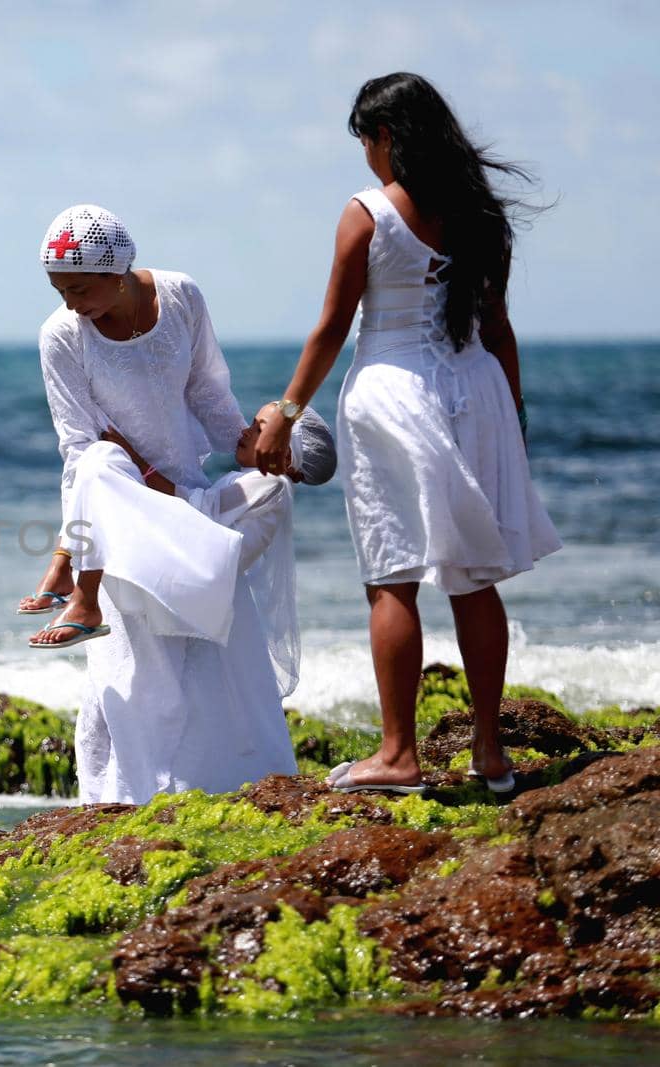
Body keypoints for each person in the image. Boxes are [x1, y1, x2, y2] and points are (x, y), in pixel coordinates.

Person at [250, 73, 561, 795]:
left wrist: (288, 415)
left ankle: (398, 755)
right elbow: (498, 328)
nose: (364, 151)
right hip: (476, 390)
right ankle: (491, 756)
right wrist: (513, 419)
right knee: (474, 576)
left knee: (391, 577)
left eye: (364, 137)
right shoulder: (482, 214)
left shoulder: (367, 214)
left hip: (394, 394)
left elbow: (332, 327)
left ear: (386, 136)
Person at [19, 203, 300, 804]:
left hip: (182, 498)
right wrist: (73, 542)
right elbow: (79, 448)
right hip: (117, 509)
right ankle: (132, 797)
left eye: (78, 287)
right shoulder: (61, 337)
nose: (69, 302)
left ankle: (224, 791)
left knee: (271, 499)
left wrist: (256, 448)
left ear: (117, 270)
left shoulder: (181, 297)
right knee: (141, 675)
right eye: (57, 289)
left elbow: (207, 394)